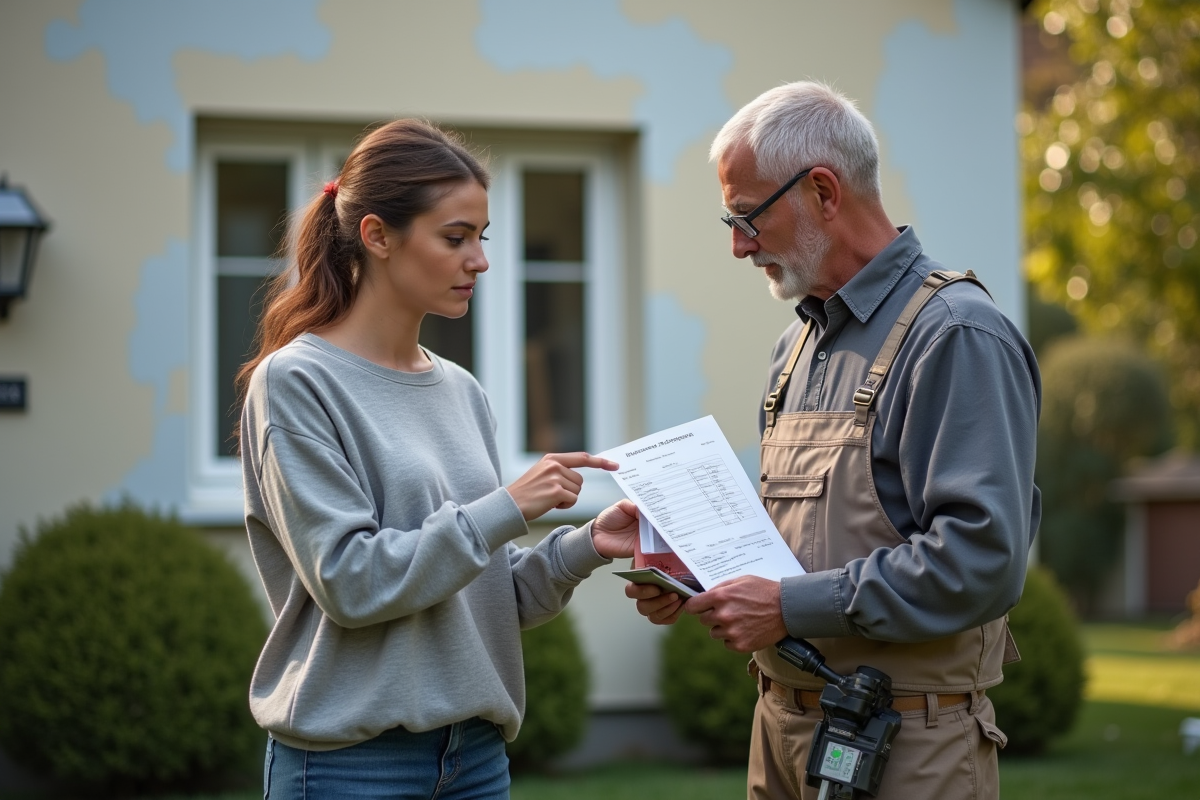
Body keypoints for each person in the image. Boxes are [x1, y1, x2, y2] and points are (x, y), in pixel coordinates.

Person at [626, 81, 1041, 800]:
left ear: (823, 190)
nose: (736, 244)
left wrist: (787, 607)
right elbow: (803, 545)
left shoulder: (955, 336)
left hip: (909, 744)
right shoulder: (794, 346)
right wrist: (697, 577)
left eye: (748, 214)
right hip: (782, 734)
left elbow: (982, 560)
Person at [236, 119, 638, 799]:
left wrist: (588, 546)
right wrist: (507, 506)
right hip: (349, 767)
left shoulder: (462, 390)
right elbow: (352, 583)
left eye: (481, 237)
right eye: (455, 238)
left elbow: (481, 596)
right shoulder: (297, 383)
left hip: (476, 761)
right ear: (377, 235)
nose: (479, 260)